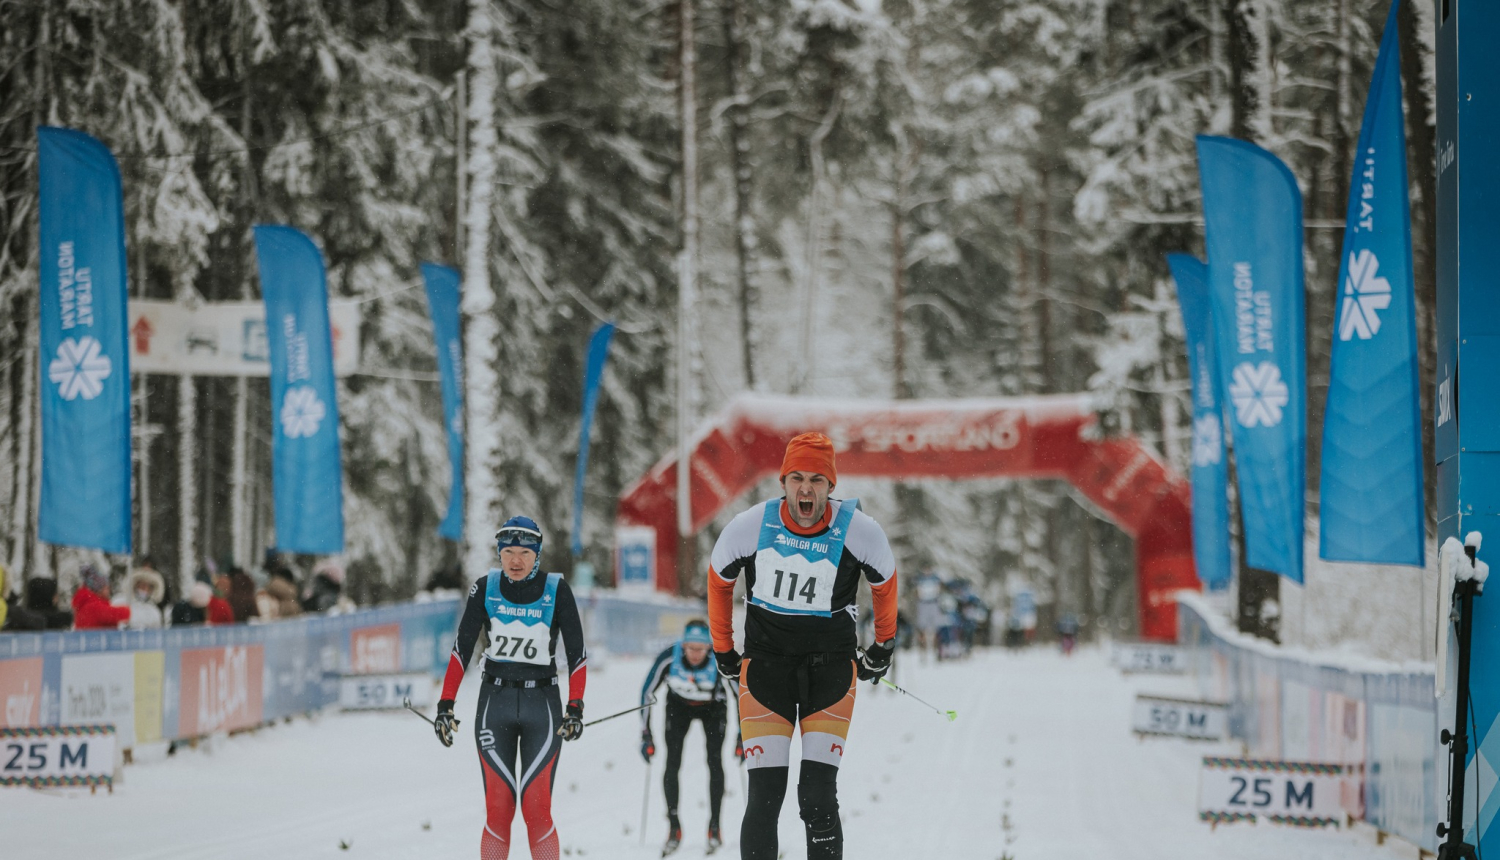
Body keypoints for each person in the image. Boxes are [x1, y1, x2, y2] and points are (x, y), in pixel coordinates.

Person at [706, 432, 898, 860]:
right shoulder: (753, 525)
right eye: (796, 478)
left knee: (817, 796)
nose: (806, 489)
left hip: (830, 675)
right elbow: (718, 579)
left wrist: (882, 646)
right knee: (764, 798)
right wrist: (723, 648)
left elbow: (885, 582)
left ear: (831, 486)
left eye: (816, 480)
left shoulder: (859, 531)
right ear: (783, 482)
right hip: (766, 672)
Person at [434, 516, 587, 860]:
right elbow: (461, 650)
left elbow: (577, 656)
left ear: (538, 555)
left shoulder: (557, 590)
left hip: (542, 706)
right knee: (498, 810)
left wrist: (575, 707)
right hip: (495, 704)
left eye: (524, 553)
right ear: (499, 553)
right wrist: (445, 705)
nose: (515, 561)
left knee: (537, 811)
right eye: (508, 553)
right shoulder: (484, 587)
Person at [640, 619, 743, 856]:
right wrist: (646, 735)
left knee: (715, 762)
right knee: (672, 763)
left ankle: (714, 828)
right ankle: (674, 827)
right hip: (679, 708)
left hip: (713, 708)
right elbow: (646, 692)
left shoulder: (719, 658)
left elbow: (741, 695)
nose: (695, 654)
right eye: (690, 648)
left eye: (701, 648)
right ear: (683, 645)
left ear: (709, 647)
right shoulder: (669, 658)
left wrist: (742, 736)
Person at [72, 564, 131, 630]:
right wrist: (130, 610)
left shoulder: (86, 604)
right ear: (99, 589)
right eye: (107, 588)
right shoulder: (93, 607)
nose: (109, 590)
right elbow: (118, 614)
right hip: (96, 636)